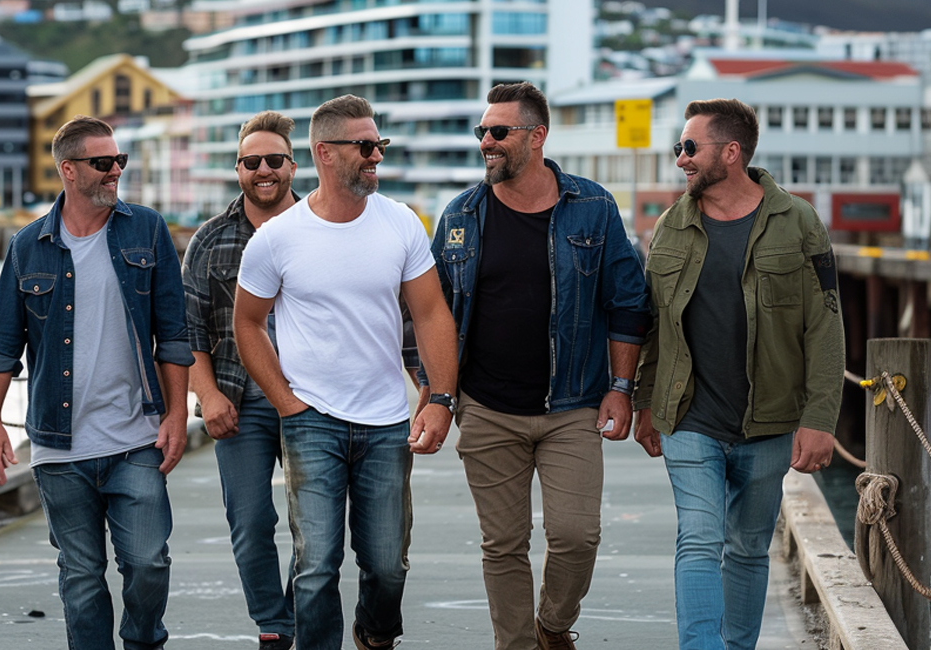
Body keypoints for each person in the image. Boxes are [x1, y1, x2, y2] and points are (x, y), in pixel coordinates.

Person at [428, 81, 652, 650]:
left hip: (574, 404)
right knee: (502, 544)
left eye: (499, 132)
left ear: (537, 135)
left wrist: (622, 387)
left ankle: (553, 625)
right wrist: (438, 393)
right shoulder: (460, 215)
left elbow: (627, 303)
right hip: (487, 408)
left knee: (577, 537)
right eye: (483, 132)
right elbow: (430, 312)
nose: (487, 143)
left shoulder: (594, 207)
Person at [232, 94, 458, 650]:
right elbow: (247, 325)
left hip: (385, 423)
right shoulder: (278, 239)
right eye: (364, 146)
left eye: (379, 144)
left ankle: (374, 634)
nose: (375, 155)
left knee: (387, 565)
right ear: (324, 154)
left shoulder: (400, 222)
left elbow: (430, 312)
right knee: (315, 566)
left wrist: (441, 398)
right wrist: (286, 402)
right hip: (311, 421)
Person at [632, 98, 845, 650]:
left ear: (731, 153)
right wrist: (643, 403)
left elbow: (825, 327)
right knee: (699, 541)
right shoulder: (671, 227)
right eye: (679, 146)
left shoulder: (798, 222)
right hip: (689, 418)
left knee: (749, 549)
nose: (680, 158)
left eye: (689, 147)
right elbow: (654, 325)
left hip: (769, 423)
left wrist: (820, 418)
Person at [0, 115, 193, 650]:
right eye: (103, 162)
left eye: (119, 161)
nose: (115, 170)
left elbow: (173, 333)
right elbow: (0, 345)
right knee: (80, 577)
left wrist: (176, 414)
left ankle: (143, 641)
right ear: (69, 171)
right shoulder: (29, 246)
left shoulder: (147, 229)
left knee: (148, 562)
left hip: (135, 437)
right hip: (58, 443)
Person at [181, 110, 298, 650]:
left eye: (274, 159)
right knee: (250, 520)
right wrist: (207, 396)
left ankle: (302, 612)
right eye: (252, 162)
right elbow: (188, 332)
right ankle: (274, 626)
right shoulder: (209, 241)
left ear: (293, 165)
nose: (263, 170)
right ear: (238, 170)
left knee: (316, 524)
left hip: (311, 398)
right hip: (239, 399)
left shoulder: (321, 227)